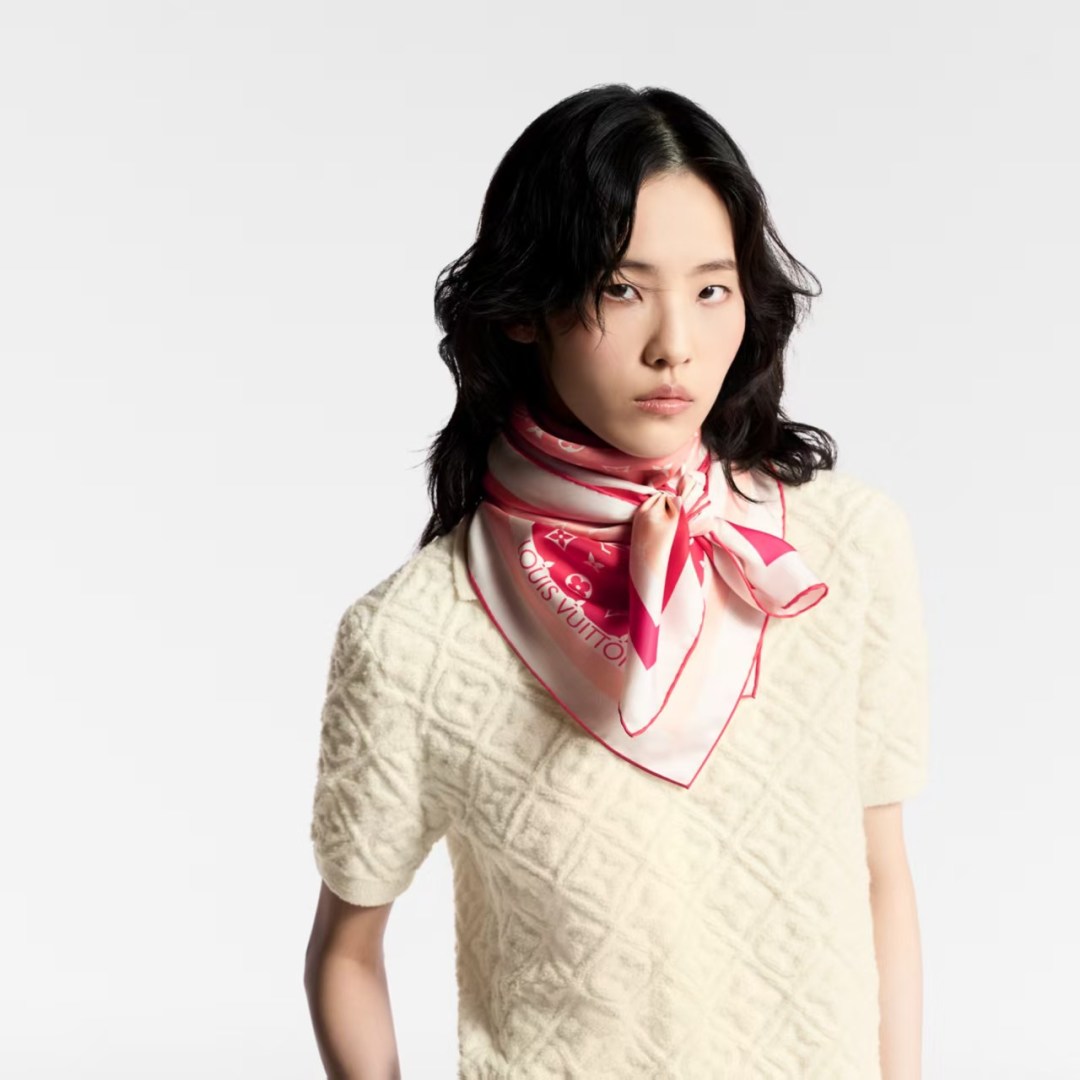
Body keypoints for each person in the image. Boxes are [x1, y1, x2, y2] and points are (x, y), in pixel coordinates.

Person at [304, 83, 930, 1080]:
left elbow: (880, 878)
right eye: (621, 288)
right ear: (526, 310)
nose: (674, 344)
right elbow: (345, 954)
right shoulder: (412, 635)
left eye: (712, 290)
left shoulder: (843, 550)